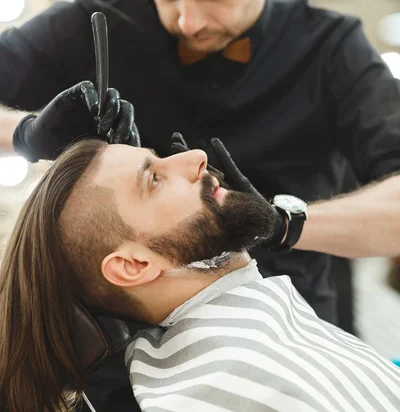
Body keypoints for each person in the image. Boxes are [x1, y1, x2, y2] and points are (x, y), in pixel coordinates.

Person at [1, 0, 400, 411]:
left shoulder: (330, 51)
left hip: (301, 350)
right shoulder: (92, 27)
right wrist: (24, 133)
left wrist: (283, 224)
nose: (188, 21)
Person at [1, 139, 400, 412]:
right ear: (135, 265)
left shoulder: (244, 342)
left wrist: (282, 225)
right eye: (154, 178)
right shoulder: (217, 391)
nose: (195, 157)